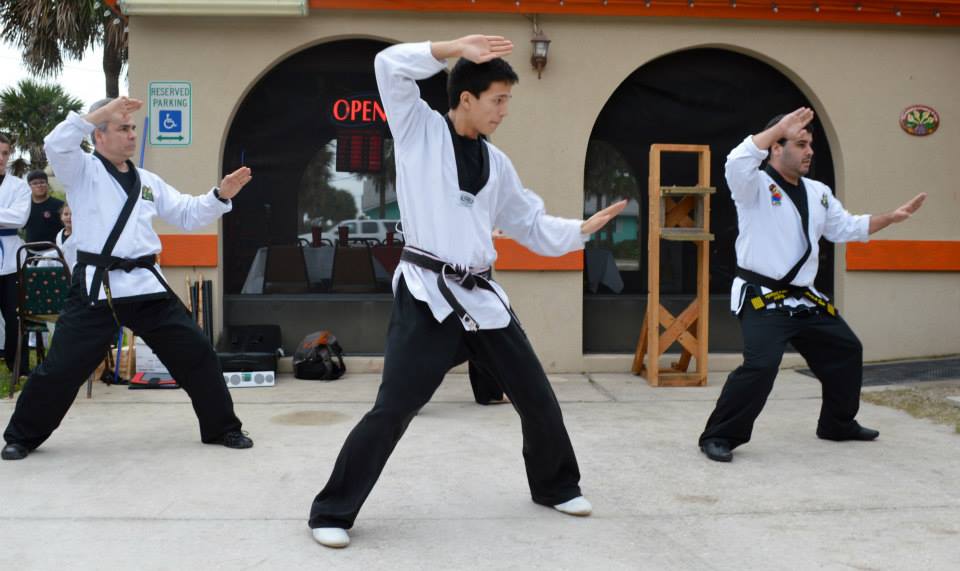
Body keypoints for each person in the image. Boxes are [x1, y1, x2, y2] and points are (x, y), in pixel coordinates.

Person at [308, 35, 627, 549]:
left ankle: (555, 486)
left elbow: (529, 223)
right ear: (466, 99)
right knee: (394, 408)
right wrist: (449, 48)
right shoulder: (419, 132)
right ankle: (331, 511)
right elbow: (387, 65)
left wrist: (581, 229)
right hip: (427, 294)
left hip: (481, 297)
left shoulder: (497, 165)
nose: (504, 111)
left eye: (507, 101)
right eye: (498, 100)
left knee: (538, 398)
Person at [1, 97, 255, 461]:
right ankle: (22, 436)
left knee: (197, 353)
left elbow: (186, 213)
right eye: (123, 128)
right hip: (96, 288)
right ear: (99, 136)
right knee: (62, 368)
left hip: (146, 286)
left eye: (133, 128)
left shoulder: (147, 181)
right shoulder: (81, 171)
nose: (132, 134)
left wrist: (220, 196)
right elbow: (56, 143)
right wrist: (102, 112)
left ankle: (222, 428)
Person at [698, 107, 927, 463]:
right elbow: (735, 162)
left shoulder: (818, 192)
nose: (810, 151)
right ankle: (719, 436)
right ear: (776, 147)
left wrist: (891, 219)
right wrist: (775, 130)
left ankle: (837, 424)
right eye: (801, 144)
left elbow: (846, 228)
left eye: (810, 145)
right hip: (763, 298)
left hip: (805, 299)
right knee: (761, 366)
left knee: (846, 350)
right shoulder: (753, 186)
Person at [0, 134, 31, 373]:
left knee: (14, 317)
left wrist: (8, 217)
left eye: (4, 153)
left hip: (10, 261)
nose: (1, 158)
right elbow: (10, 216)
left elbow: (19, 218)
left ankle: (17, 367)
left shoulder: (19, 186)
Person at [24, 170, 65, 244]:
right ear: (29, 186)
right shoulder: (24, 206)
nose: (39, 185)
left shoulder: (60, 205)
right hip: (29, 251)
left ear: (47, 184)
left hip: (54, 251)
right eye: (35, 183)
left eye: (42, 182)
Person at [55, 203, 77, 270]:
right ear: (61, 217)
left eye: (72, 214)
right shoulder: (59, 235)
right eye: (66, 214)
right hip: (61, 270)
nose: (69, 217)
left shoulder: (80, 235)